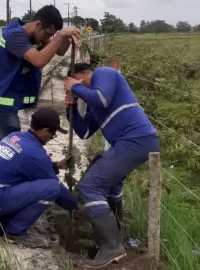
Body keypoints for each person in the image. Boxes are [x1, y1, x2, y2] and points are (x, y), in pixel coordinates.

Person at [64, 63, 159, 268]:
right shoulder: (93, 105)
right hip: (130, 143)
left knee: (91, 186)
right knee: (111, 188)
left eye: (72, 82)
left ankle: (111, 246)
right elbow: (85, 132)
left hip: (135, 140)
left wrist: (75, 87)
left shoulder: (104, 73)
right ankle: (115, 236)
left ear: (79, 75)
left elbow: (102, 98)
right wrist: (69, 107)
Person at [0, 107, 80, 248]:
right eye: (53, 134)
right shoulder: (35, 153)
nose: (52, 138)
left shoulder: (15, 137)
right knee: (52, 188)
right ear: (45, 130)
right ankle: (16, 232)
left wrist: (56, 166)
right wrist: (75, 205)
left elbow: (26, 166)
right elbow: (56, 188)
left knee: (29, 179)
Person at [0, 5, 81, 148]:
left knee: (0, 146)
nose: (47, 38)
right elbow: (39, 61)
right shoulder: (15, 35)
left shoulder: (34, 35)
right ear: (38, 25)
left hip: (8, 100)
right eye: (48, 35)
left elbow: (60, 51)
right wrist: (60, 35)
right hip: (2, 103)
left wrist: (67, 37)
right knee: (12, 147)